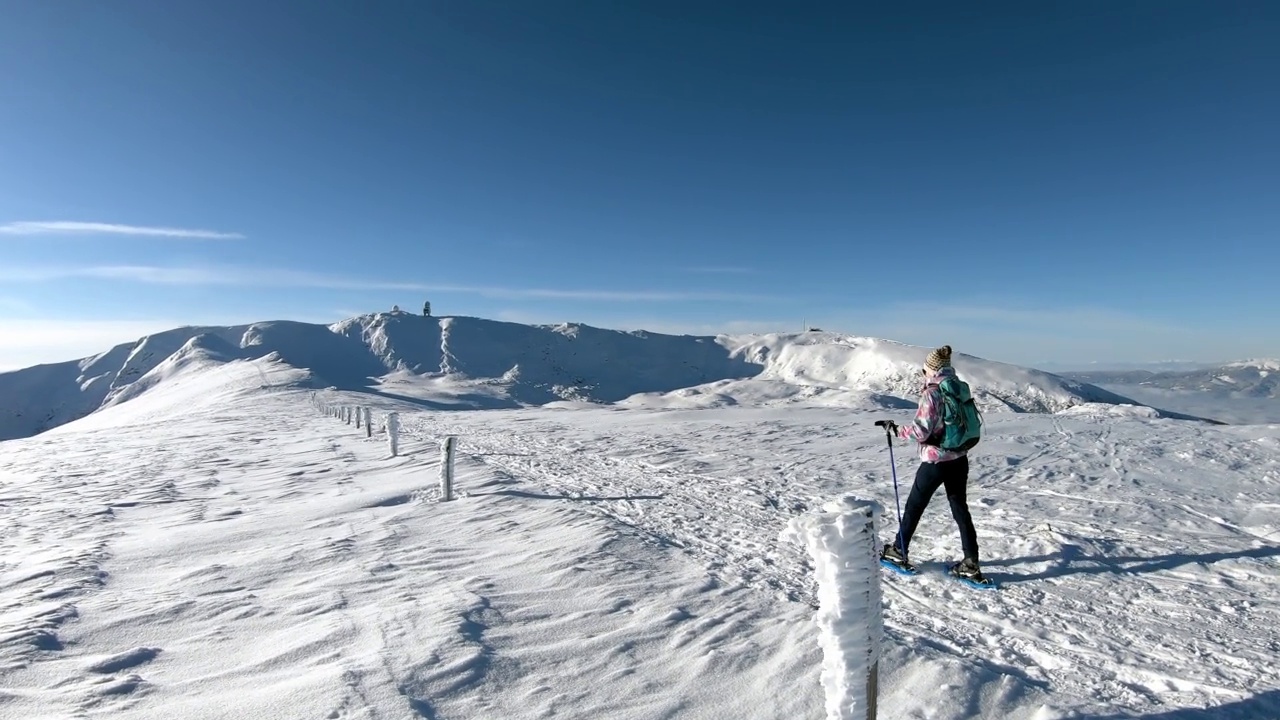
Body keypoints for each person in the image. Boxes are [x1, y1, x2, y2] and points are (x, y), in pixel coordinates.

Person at [880, 345, 985, 582]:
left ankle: (898, 550)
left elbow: (921, 431)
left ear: (929, 370)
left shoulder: (932, 393)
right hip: (959, 457)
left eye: (924, 370)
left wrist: (896, 430)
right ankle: (971, 563)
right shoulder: (958, 387)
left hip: (936, 460)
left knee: (915, 506)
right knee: (960, 508)